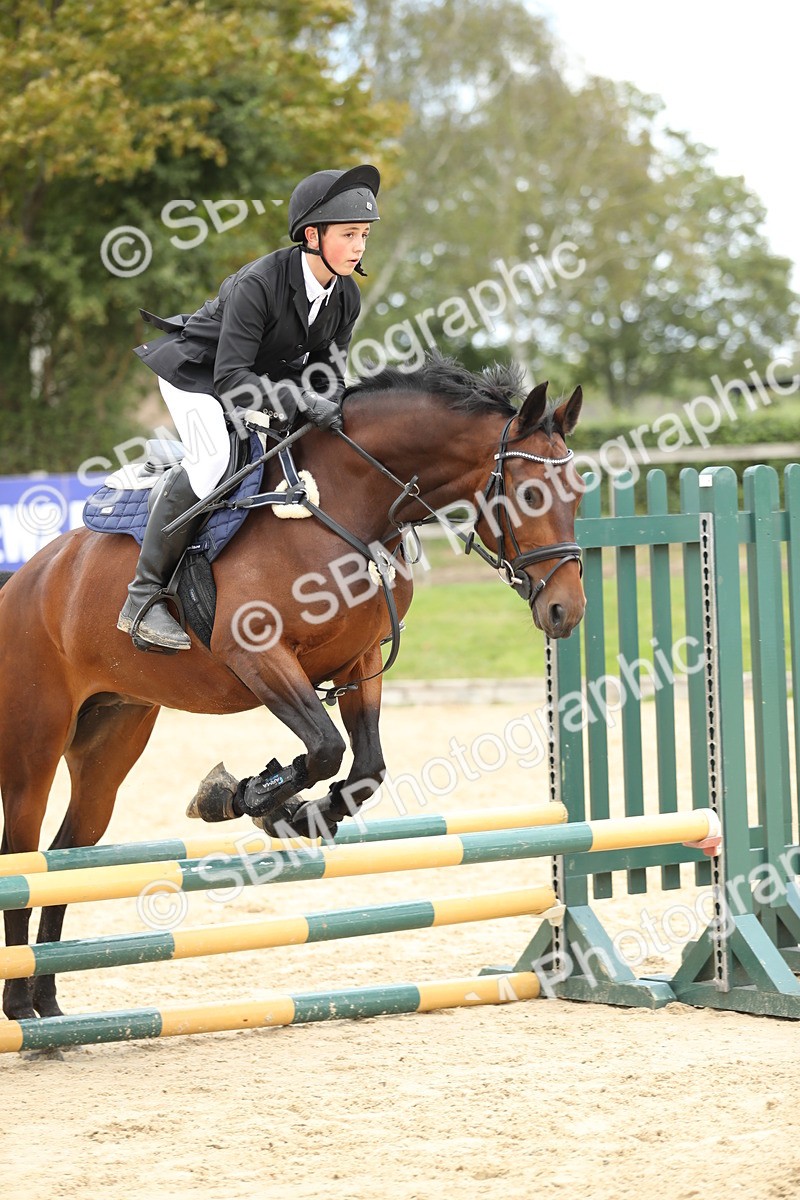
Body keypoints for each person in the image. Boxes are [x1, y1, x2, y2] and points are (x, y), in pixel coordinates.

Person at [117, 163, 380, 652]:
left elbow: (327, 373)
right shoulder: (260, 283)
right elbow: (231, 379)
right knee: (214, 462)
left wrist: (331, 401)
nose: (360, 245)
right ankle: (143, 596)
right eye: (349, 234)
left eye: (363, 234)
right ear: (311, 235)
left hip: (260, 379)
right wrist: (301, 398)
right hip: (199, 375)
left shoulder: (346, 296)